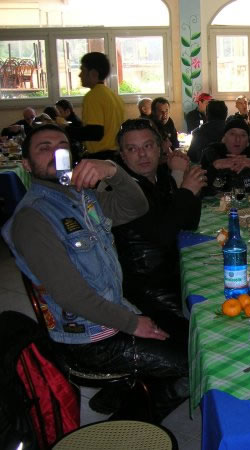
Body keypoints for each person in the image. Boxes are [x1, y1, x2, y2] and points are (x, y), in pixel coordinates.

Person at [1, 124, 188, 421]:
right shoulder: (33, 218)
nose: (55, 153)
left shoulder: (81, 197)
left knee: (192, 342)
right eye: (44, 148)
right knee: (192, 364)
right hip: (89, 340)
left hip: (114, 314)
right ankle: (131, 426)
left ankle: (128, 397)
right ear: (26, 164)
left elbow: (135, 206)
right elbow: (70, 296)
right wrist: (132, 323)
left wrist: (113, 170)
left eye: (62, 146)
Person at [112, 119, 206, 327]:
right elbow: (162, 236)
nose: (142, 154)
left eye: (147, 146)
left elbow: (189, 223)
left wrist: (191, 189)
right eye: (132, 149)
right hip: (148, 289)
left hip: (173, 272)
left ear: (159, 148)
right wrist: (186, 190)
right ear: (123, 156)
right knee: (205, 322)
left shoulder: (160, 178)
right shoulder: (122, 191)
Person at [67, 52, 125, 160]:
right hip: (116, 156)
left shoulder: (93, 96)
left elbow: (95, 133)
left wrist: (65, 129)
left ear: (93, 73)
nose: (80, 75)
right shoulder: (113, 96)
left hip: (101, 157)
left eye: (83, 70)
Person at [201, 118, 250, 195]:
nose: (237, 139)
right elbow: (199, 193)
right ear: (223, 139)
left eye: (243, 135)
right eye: (232, 134)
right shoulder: (211, 154)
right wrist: (214, 167)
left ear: (247, 143)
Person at [188, 99, 228, 164]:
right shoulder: (232, 131)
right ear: (226, 114)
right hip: (229, 167)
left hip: (204, 168)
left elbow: (191, 156)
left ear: (207, 115)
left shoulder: (198, 132)